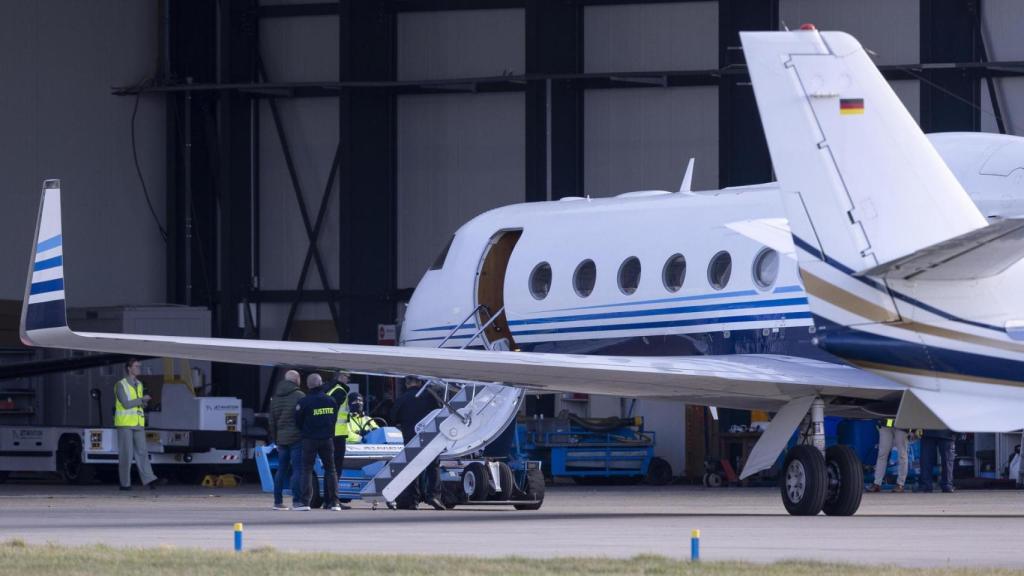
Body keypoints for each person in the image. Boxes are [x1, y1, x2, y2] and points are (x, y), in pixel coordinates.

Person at [389, 375, 445, 510]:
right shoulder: (431, 396)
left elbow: (392, 418)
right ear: (420, 382)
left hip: (410, 437)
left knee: (412, 468)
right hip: (430, 436)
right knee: (433, 466)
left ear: (407, 384)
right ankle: (434, 496)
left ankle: (412, 500)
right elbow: (441, 412)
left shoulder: (402, 398)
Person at [114, 358, 164, 491]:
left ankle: (150, 479)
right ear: (129, 368)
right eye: (136, 366)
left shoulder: (139, 384)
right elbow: (126, 404)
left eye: (139, 366)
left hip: (138, 423)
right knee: (126, 454)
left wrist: (144, 403)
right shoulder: (121, 385)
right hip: (125, 424)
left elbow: (138, 404)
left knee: (142, 452)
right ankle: (125, 484)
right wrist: (141, 400)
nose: (138, 369)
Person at [295, 373, 341, 511]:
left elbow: (298, 421)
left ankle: (305, 503)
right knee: (331, 470)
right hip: (327, 439)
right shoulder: (331, 400)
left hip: (309, 439)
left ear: (308, 385)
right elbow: (334, 419)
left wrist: (307, 430)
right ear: (321, 383)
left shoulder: (304, 402)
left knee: (307, 470)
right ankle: (334, 502)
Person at [269, 370, 305, 510]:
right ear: (296, 379)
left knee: (281, 470)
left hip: (281, 439)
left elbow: (272, 421)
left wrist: (276, 439)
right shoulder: (299, 395)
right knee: (297, 470)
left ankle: (277, 502)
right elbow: (303, 418)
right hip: (297, 439)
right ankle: (297, 502)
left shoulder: (275, 398)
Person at [324, 370, 352, 509]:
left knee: (330, 468)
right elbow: (333, 411)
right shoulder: (340, 391)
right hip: (338, 435)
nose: (348, 379)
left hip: (330, 434)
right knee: (335, 469)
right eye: (347, 376)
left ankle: (328, 500)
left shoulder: (330, 389)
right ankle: (332, 500)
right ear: (340, 376)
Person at [867, 418, 909, 493]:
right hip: (886, 424)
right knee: (882, 454)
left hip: (901, 424)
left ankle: (900, 484)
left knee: (902, 455)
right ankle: (877, 483)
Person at [917, 428, 955, 493]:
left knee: (926, 460)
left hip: (928, 431)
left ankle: (926, 485)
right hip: (947, 432)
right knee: (947, 461)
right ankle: (947, 485)